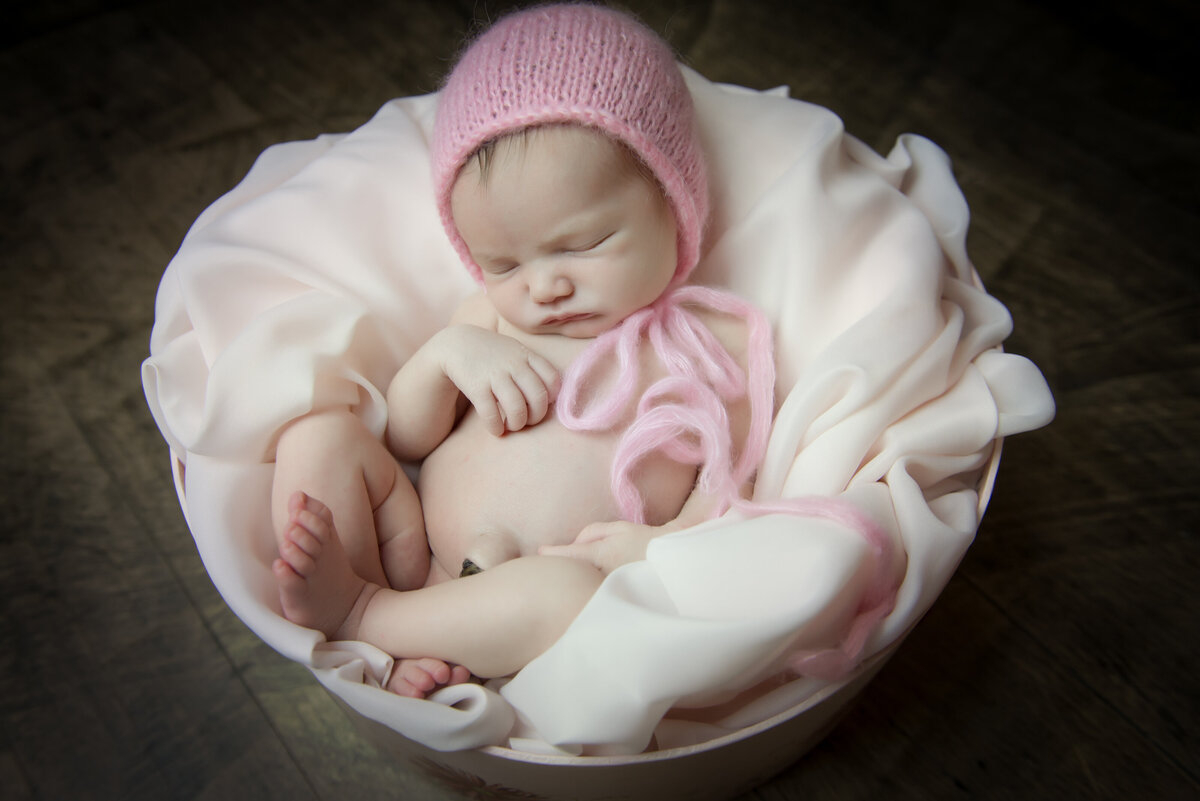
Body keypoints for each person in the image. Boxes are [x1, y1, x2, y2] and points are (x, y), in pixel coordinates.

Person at [271, 3, 773, 698]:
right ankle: (394, 607)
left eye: (584, 244)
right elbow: (410, 439)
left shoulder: (707, 347)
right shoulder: (485, 322)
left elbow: (728, 487)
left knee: (567, 595)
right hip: (415, 553)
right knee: (317, 434)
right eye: (504, 264)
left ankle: (369, 617)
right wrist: (450, 354)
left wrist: (660, 545)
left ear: (673, 198)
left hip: (543, 598)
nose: (546, 285)